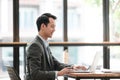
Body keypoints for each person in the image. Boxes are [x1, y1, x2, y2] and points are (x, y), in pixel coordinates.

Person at [26, 13, 86, 80]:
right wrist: (58, 73)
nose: (54, 30)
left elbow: (55, 64)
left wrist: (73, 67)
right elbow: (35, 74)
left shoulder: (43, 44)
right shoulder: (35, 46)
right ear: (43, 26)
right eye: (52, 26)